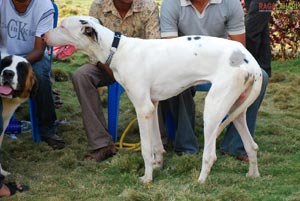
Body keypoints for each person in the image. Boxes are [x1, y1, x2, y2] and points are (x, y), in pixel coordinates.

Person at [159, 0, 269, 161]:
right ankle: (186, 146)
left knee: (261, 77)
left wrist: (240, 82)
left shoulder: (230, 3)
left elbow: (239, 49)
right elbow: (169, 53)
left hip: (222, 64)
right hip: (184, 63)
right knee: (171, 77)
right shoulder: (171, 4)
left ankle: (235, 145)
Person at [71, 0, 160, 162]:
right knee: (81, 76)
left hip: (143, 69)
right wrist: (113, 70)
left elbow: (155, 46)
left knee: (164, 76)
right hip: (106, 66)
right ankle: (101, 144)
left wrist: (130, 73)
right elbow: (90, 45)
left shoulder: (149, 6)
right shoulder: (98, 6)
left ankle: (159, 141)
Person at [0, 0, 65, 149]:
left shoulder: (44, 6)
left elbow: (39, 50)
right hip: (4, 55)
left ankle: (47, 129)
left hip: (33, 56)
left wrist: (16, 65)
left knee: (41, 75)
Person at [221, 0, 275, 161]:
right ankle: (234, 144)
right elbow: (251, 30)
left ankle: (235, 143)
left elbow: (253, 28)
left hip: (245, 55)